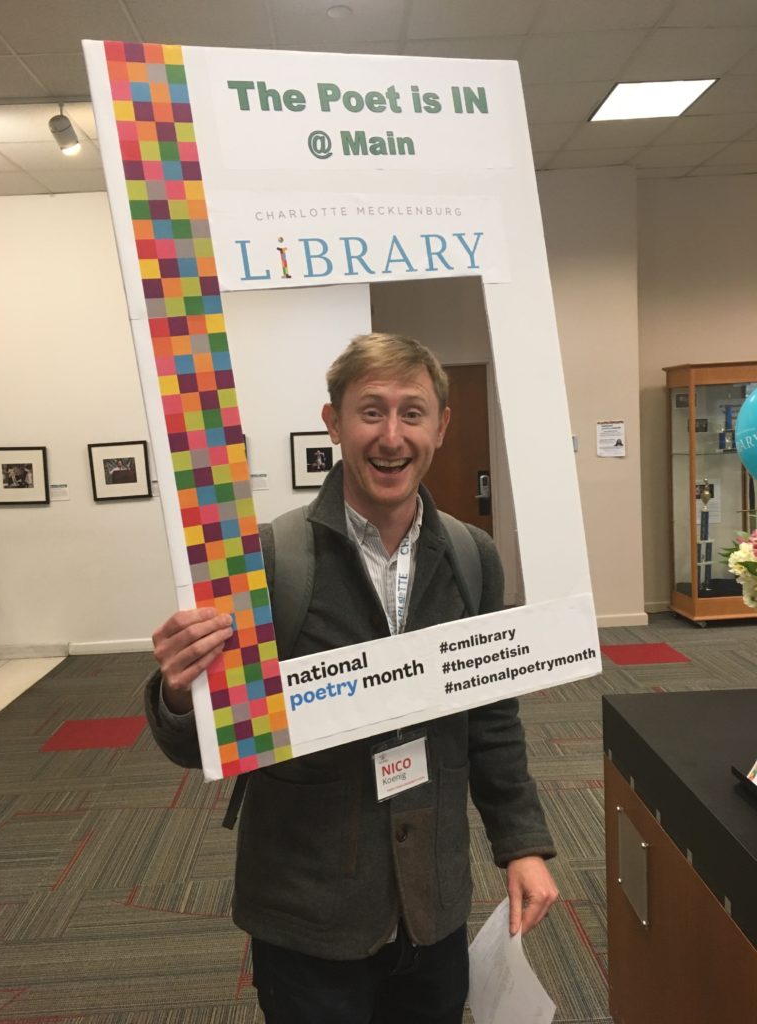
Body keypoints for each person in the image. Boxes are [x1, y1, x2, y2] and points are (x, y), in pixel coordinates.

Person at [146, 332, 558, 1024]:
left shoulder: (472, 556)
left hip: (432, 901)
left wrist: (520, 843)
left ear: (441, 427)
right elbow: (202, 746)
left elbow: (492, 718)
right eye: (370, 411)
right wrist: (181, 693)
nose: (391, 436)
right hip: (311, 910)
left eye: (412, 413)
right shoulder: (266, 561)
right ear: (333, 422)